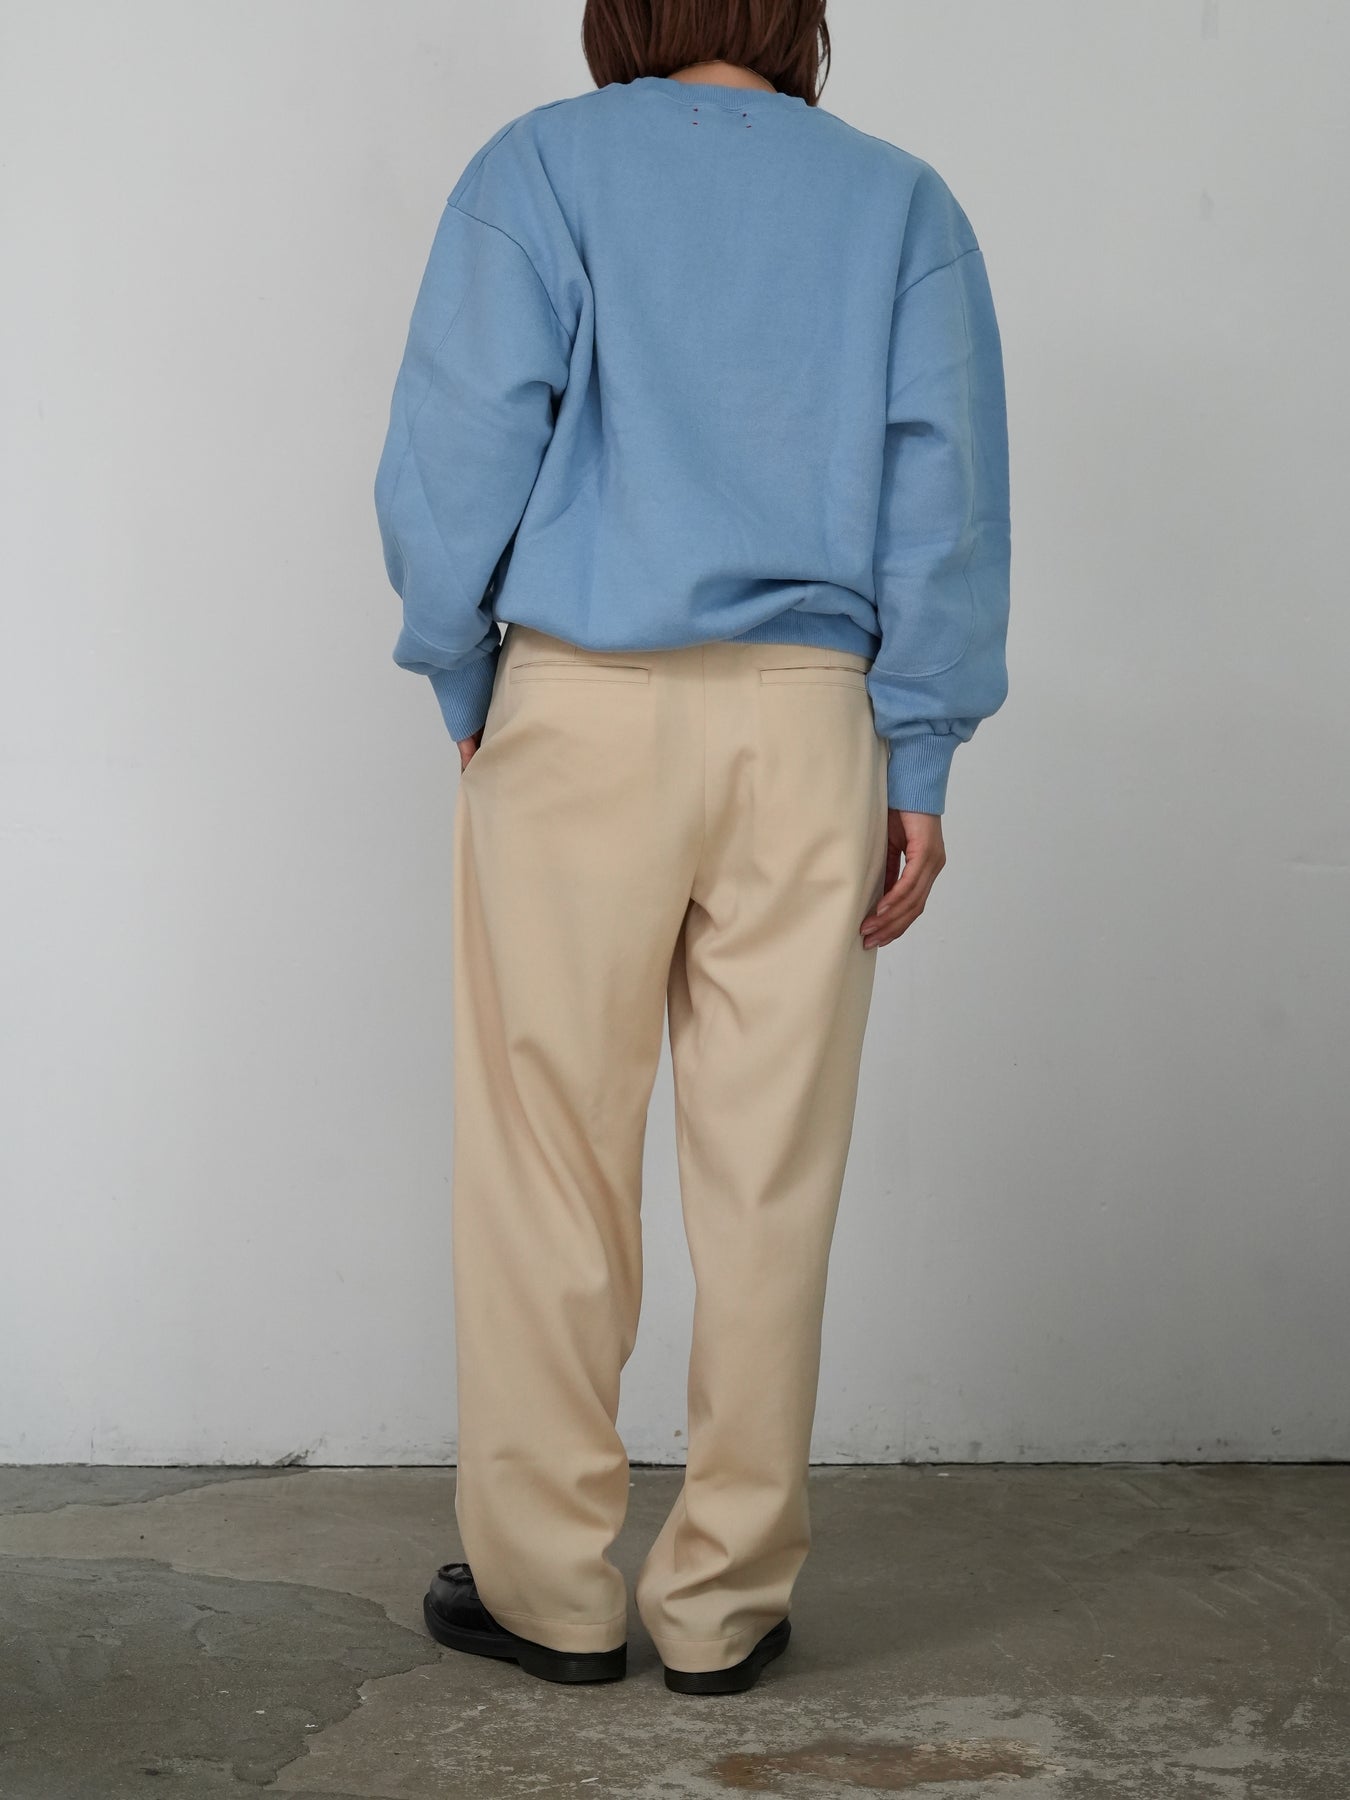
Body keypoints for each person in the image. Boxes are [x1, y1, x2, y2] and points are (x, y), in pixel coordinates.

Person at [373, 0, 1010, 1695]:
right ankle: (723, 1604)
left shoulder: (541, 169)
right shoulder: (899, 203)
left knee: (545, 1162)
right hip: (810, 726)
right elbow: (941, 497)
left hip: (577, 709)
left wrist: (457, 663)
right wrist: (921, 751)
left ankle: (547, 1592)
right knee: (770, 1178)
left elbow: (460, 446)